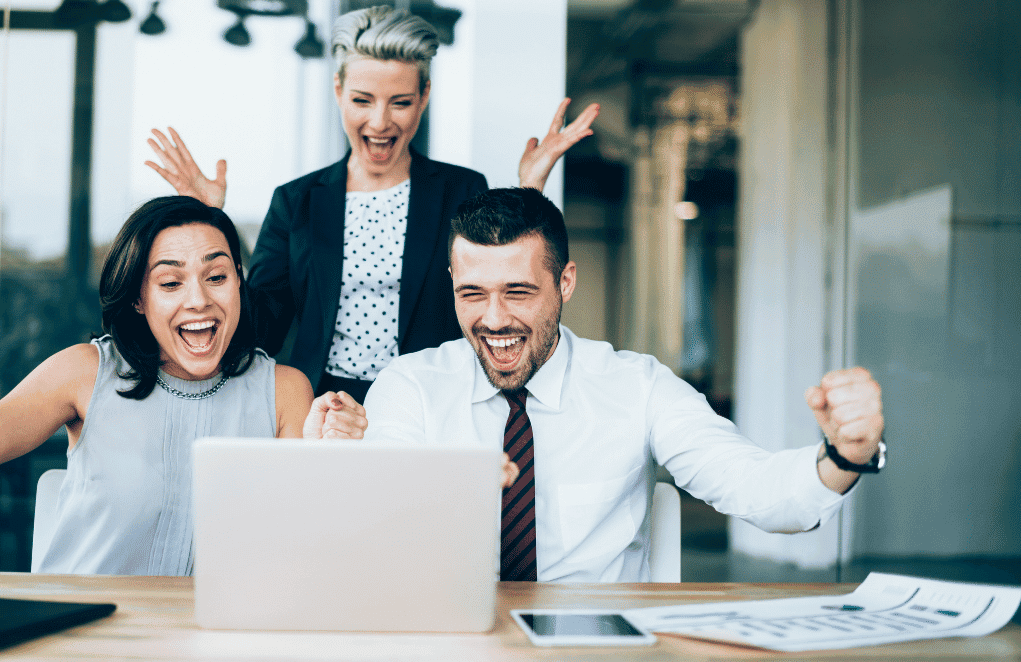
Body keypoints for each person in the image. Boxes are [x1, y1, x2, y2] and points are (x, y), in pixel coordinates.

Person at [363, 188, 886, 583]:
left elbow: (756, 490)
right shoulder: (410, 386)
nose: (493, 319)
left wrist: (843, 456)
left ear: (565, 282)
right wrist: (447, 492)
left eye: (517, 292)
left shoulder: (639, 386)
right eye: (472, 293)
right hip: (455, 640)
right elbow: (380, 526)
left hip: (598, 648)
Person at [146, 6, 599, 403]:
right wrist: (209, 222)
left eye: (400, 102)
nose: (380, 122)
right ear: (339, 90)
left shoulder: (459, 190)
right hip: (320, 403)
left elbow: (503, 275)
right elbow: (260, 323)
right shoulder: (296, 201)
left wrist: (530, 187)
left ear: (424, 97)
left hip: (430, 400)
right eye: (362, 100)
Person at [0, 196, 367, 576]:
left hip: (208, 645)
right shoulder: (86, 373)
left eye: (217, 276)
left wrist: (334, 461)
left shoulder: (283, 392)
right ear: (139, 300)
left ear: (239, 285)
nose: (199, 300)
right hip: (81, 642)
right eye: (170, 281)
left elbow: (298, 560)